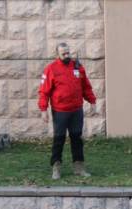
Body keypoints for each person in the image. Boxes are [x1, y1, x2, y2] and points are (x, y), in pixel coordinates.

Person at [39, 42, 96, 180]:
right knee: (59, 139)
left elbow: (86, 87)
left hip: (76, 110)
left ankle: (79, 167)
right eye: (63, 53)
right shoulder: (51, 69)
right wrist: (43, 109)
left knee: (77, 138)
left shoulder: (77, 67)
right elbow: (44, 91)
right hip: (60, 111)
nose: (66, 55)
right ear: (57, 54)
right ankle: (56, 168)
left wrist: (92, 101)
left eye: (68, 52)